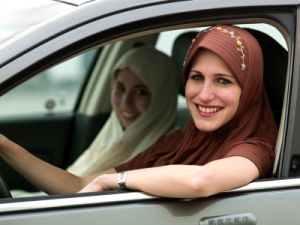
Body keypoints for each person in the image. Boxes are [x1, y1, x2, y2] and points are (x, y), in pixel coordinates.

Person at [0, 25, 277, 198]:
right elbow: (80, 186)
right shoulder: (178, 140)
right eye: (196, 77)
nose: (204, 94)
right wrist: (5, 146)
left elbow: (199, 181)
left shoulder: (255, 148)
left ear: (249, 88)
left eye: (223, 81)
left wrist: (116, 181)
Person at [0, 46, 179, 195]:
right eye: (120, 88)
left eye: (141, 92)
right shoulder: (115, 133)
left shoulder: (165, 151)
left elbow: (78, 188)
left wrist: (5, 145)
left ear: (161, 97)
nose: (126, 102)